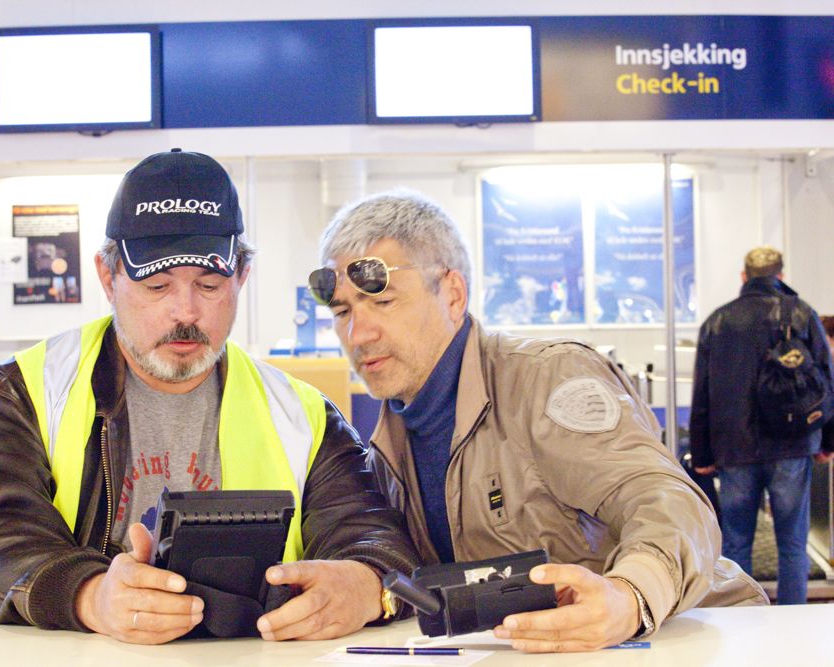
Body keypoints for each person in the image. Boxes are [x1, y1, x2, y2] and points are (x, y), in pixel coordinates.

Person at [0, 150, 420, 645]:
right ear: (108, 277)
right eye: (157, 285)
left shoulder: (304, 415)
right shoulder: (22, 393)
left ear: (242, 277)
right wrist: (89, 596)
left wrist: (365, 584)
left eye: (209, 285)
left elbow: (373, 535)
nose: (185, 312)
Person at [309, 189, 767, 654]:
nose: (357, 334)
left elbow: (667, 501)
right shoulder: (384, 450)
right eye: (342, 311)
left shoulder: (548, 380)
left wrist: (629, 596)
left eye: (383, 302)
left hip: (698, 639)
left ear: (452, 294)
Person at [690, 247, 834, 605]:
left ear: (744, 277)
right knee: (793, 544)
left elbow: (702, 392)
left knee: (736, 542)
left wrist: (702, 454)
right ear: (780, 276)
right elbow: (827, 383)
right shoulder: (802, 313)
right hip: (793, 444)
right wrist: (827, 441)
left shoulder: (718, 321)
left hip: (734, 448)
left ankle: (741, 616)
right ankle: (792, 619)